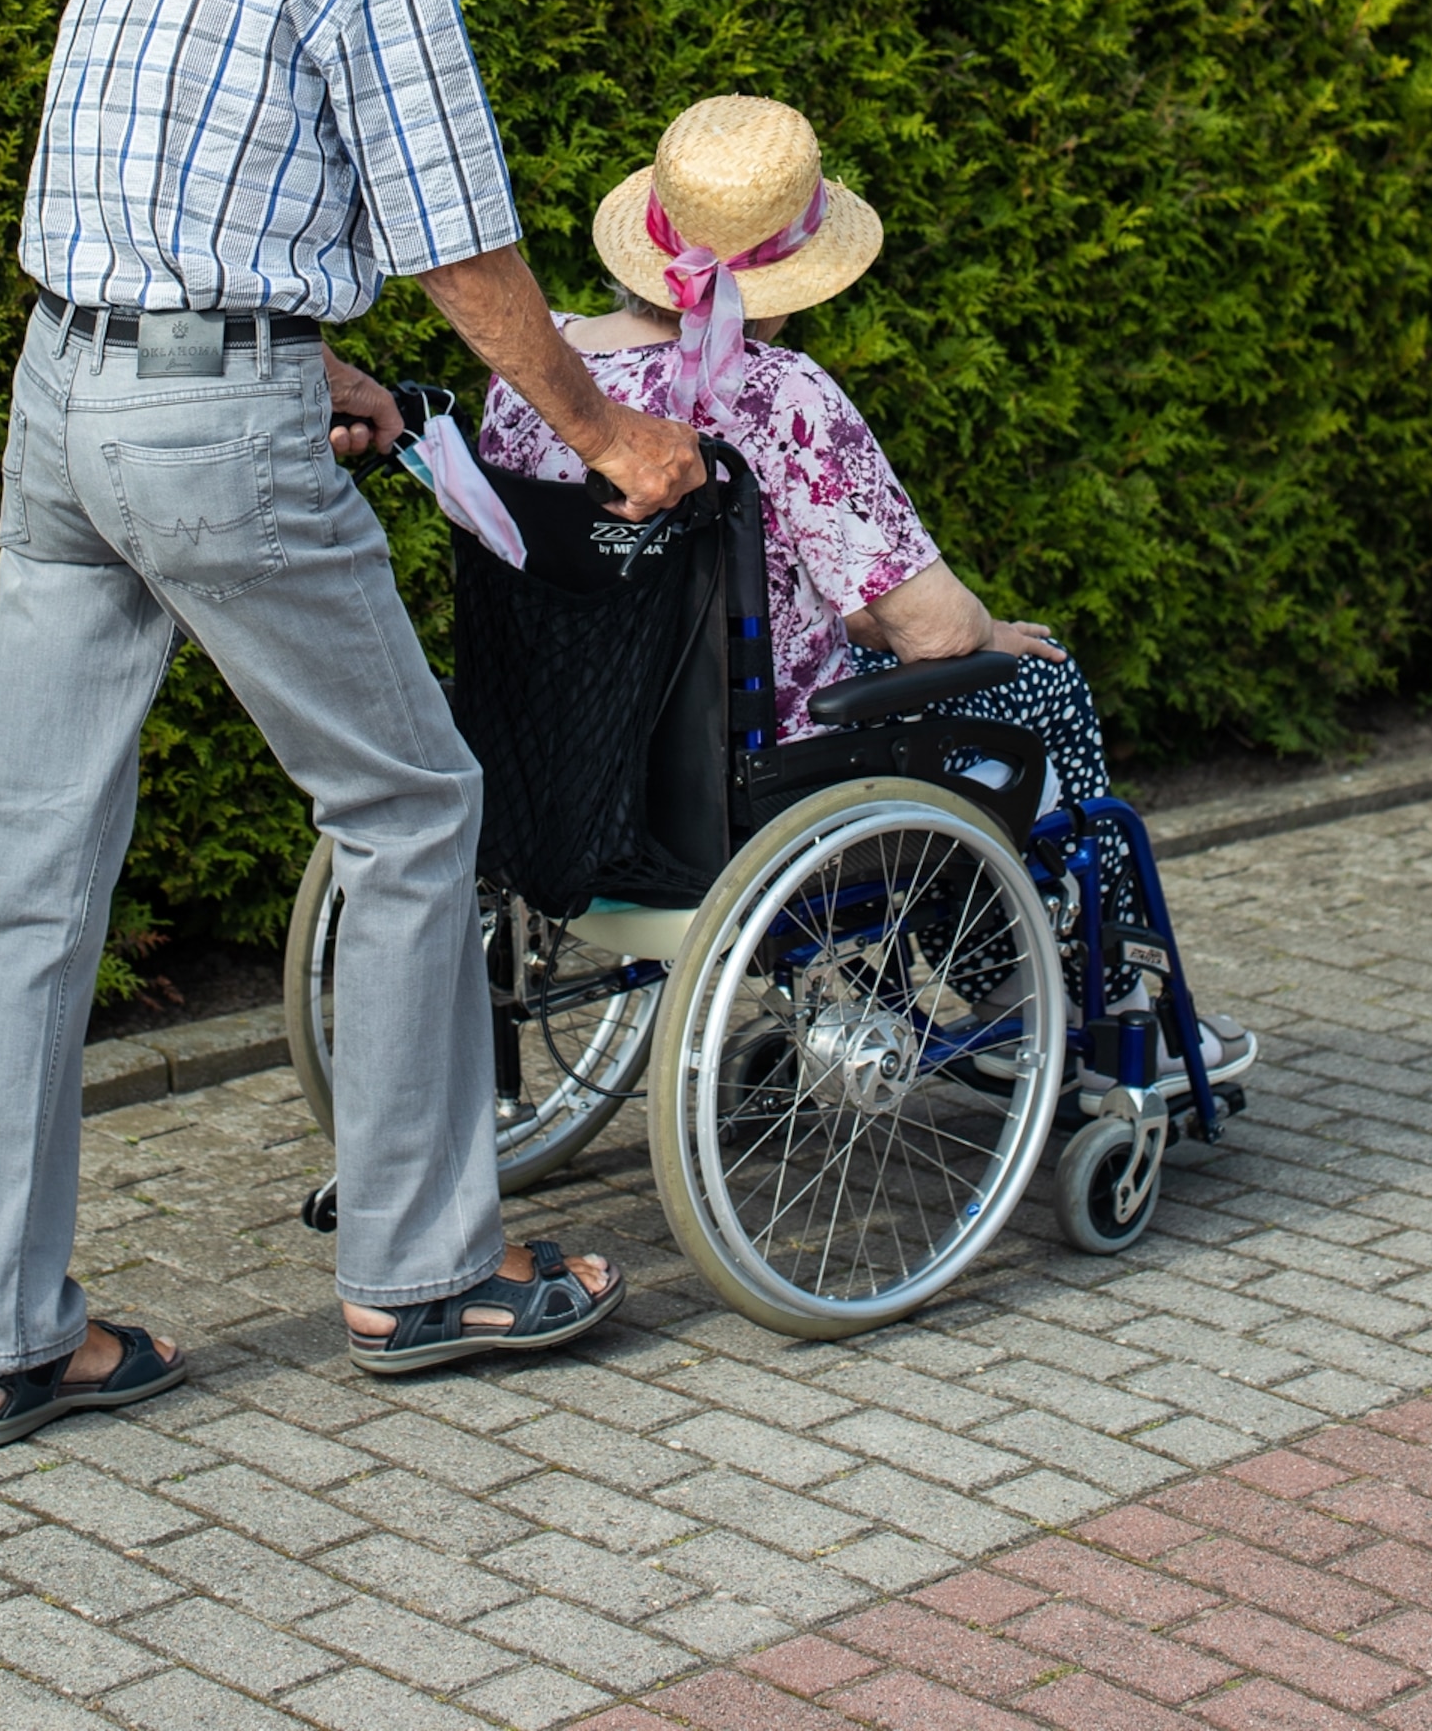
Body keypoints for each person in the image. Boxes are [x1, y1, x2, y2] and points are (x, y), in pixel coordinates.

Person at [0, 0, 705, 1442]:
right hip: (204, 412)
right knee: (415, 803)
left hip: (62, 392)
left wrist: (302, 360)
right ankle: (430, 1272)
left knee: (33, 877)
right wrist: (600, 430)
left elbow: (160, 185)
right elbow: (457, 237)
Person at [479, 93, 1254, 1075]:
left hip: (560, 775)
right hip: (738, 788)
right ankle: (1065, 993)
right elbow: (924, 627)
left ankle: (1015, 978)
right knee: (1036, 680)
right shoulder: (778, 395)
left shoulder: (531, 377)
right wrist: (985, 629)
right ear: (793, 278)